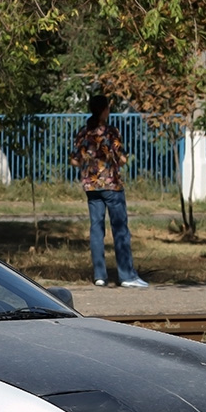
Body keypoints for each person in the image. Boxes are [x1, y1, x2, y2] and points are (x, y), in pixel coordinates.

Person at [69, 94, 148, 288]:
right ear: (104, 110)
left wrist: (88, 164)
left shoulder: (82, 133)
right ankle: (127, 275)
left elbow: (74, 160)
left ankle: (99, 276)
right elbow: (122, 159)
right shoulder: (111, 132)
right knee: (120, 229)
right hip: (111, 185)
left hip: (91, 186)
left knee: (96, 229)